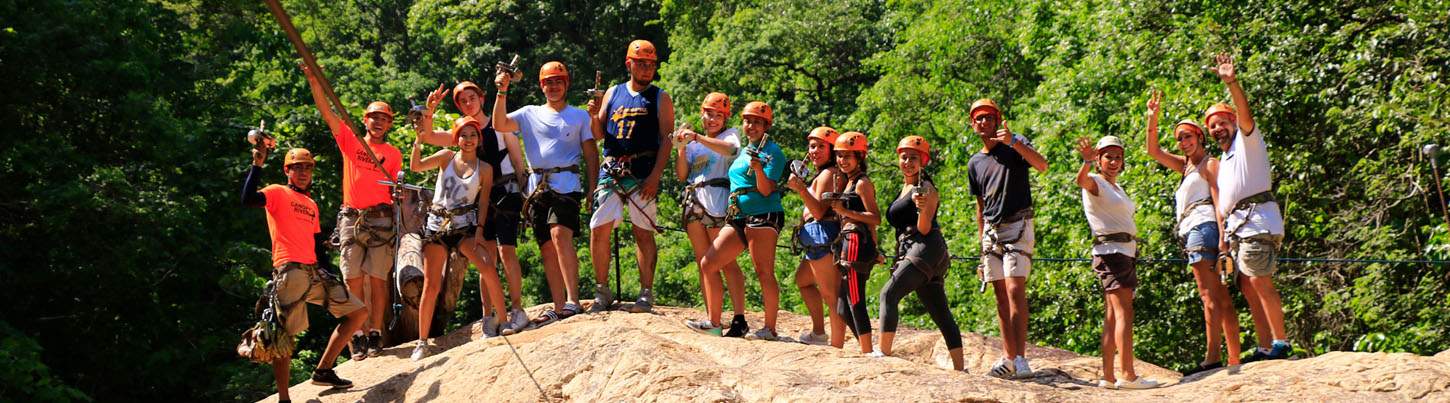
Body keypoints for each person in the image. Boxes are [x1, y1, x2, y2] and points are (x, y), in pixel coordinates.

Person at [241, 147, 367, 401]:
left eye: (307, 167)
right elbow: (248, 199)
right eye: (297, 167)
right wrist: (257, 166)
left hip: (313, 270)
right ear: (287, 170)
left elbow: (316, 243)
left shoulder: (311, 204)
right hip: (290, 270)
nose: (303, 172)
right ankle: (284, 399)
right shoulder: (278, 192)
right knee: (283, 337)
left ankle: (323, 370)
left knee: (357, 313)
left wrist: (330, 272)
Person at [490, 61, 600, 330]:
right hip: (538, 187)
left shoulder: (579, 116)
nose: (553, 86)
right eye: (548, 82)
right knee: (546, 247)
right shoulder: (529, 113)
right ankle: (559, 305)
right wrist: (501, 92)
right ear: (542, 86)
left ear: (566, 85)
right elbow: (499, 123)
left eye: (558, 81)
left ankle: (573, 299)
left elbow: (590, 153)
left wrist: (592, 186)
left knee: (560, 234)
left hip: (566, 182)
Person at [300, 65, 400, 360]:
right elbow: (327, 111)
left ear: (389, 124)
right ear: (365, 120)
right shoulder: (350, 140)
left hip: (380, 217)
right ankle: (357, 332)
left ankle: (374, 333)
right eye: (374, 118)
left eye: (384, 119)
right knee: (351, 277)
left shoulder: (393, 154)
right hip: (352, 216)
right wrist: (314, 81)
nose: (379, 122)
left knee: (378, 278)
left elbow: (393, 188)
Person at [418, 77, 529, 336]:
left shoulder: (500, 124)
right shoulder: (463, 132)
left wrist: (525, 191)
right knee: (485, 256)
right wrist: (430, 112)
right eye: (463, 101)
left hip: (504, 192)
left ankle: (516, 310)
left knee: (507, 251)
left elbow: (516, 157)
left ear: (482, 98)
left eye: (472, 98)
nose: (469, 103)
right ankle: (487, 314)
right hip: (477, 200)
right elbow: (429, 136)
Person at [1143, 90, 1242, 373]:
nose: (1183, 142)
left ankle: (1214, 357)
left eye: (1188, 136)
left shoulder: (1208, 164)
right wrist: (1153, 118)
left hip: (1204, 229)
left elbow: (1218, 200)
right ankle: (1231, 357)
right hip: (1195, 232)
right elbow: (1153, 151)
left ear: (1200, 136)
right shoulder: (1186, 167)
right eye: (1179, 138)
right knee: (1219, 295)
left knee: (1210, 296)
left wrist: (1224, 240)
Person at [1202, 53, 1291, 361]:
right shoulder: (1225, 161)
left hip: (1257, 222)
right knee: (1249, 287)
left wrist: (1231, 83)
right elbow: (1224, 201)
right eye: (1212, 126)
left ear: (1233, 124)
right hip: (1240, 228)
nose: (1217, 129)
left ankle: (1280, 342)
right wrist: (1225, 237)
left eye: (1222, 123)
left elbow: (1245, 113)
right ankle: (1266, 345)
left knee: (1259, 280)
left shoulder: (1247, 142)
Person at [587, 39, 676, 313]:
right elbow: (600, 133)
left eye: (651, 64)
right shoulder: (613, 93)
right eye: (642, 64)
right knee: (598, 228)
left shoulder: (660, 98)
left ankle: (646, 292)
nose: (647, 69)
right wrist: (592, 115)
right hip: (612, 169)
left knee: (643, 232)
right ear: (630, 64)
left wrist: (656, 176)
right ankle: (602, 290)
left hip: (643, 171)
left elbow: (667, 139)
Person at [687, 101, 787, 339]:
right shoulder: (745, 151)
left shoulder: (773, 152)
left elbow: (766, 190)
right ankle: (713, 321)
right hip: (739, 215)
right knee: (709, 263)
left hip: (763, 213)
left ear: (766, 126)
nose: (751, 126)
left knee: (763, 271)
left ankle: (769, 328)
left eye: (757, 122)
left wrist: (759, 170)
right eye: (748, 121)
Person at [966, 98, 1049, 379]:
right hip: (992, 230)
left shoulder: (1014, 145)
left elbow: (1042, 165)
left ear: (998, 119)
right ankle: (1008, 357)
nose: (985, 122)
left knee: (1015, 290)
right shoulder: (975, 162)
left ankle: (1022, 358)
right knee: (1000, 296)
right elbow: (980, 206)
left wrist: (1014, 141)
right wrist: (981, 246)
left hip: (1018, 225)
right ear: (972, 123)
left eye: (989, 117)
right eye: (979, 118)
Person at [407, 117, 502, 360]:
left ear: (479, 139)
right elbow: (416, 167)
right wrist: (418, 140)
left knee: (488, 267)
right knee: (432, 285)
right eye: (463, 135)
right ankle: (422, 341)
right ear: (456, 138)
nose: (468, 140)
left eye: (472, 135)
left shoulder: (485, 169)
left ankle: (501, 321)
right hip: (437, 226)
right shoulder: (446, 157)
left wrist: (480, 230)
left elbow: (483, 201)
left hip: (463, 228)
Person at [1075, 135, 1160, 390]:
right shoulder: (1097, 182)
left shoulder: (1116, 188)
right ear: (1099, 160)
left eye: (1117, 157)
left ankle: (1109, 377)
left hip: (1123, 251)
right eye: (1108, 156)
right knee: (1124, 311)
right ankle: (1128, 374)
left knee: (1113, 315)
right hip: (1112, 251)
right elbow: (1082, 181)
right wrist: (1086, 163)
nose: (1113, 161)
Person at [877, 136, 965, 371]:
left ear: (923, 161)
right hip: (921, 249)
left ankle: (883, 353)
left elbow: (924, 228)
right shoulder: (906, 186)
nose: (907, 162)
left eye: (913, 158)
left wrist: (923, 209)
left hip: (925, 247)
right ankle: (960, 368)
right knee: (939, 310)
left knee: (888, 294)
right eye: (904, 157)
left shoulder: (926, 188)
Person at [674, 92, 750, 337]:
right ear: (702, 113)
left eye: (719, 116)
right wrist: (682, 149)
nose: (713, 119)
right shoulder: (695, 144)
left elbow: (730, 150)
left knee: (724, 261)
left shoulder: (730, 135)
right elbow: (682, 174)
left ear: (725, 118)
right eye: (709, 114)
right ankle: (712, 318)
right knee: (703, 261)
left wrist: (696, 136)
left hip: (718, 200)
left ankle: (739, 317)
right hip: (695, 199)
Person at [786, 126, 843, 346]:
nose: (815, 151)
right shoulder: (822, 173)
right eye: (812, 146)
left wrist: (801, 189)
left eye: (821, 146)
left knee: (831, 294)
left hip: (823, 237)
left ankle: (837, 344)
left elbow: (819, 211)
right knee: (803, 280)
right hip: (815, 239)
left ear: (831, 151)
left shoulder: (829, 174)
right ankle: (819, 333)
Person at [829, 131, 882, 354]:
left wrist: (845, 211)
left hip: (855, 241)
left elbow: (875, 218)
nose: (842, 160)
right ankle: (864, 345)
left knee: (855, 297)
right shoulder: (849, 181)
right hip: (848, 241)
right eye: (839, 156)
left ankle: (867, 350)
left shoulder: (862, 183)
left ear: (860, 157)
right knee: (842, 305)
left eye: (848, 156)